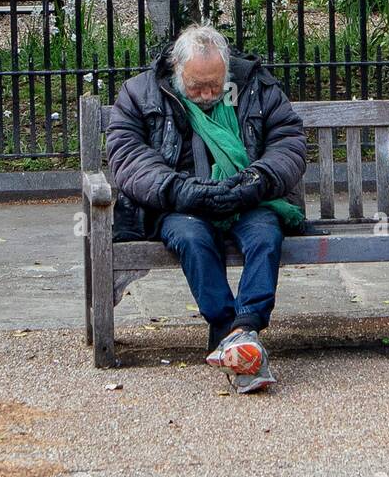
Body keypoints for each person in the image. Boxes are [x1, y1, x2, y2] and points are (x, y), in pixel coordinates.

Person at [105, 24, 308, 393]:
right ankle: (232, 329)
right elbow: (127, 157)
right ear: (177, 69)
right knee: (192, 237)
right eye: (197, 86)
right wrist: (180, 189)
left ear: (226, 69)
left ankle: (244, 329)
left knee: (265, 233)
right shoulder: (140, 93)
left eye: (215, 85)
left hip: (247, 198)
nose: (207, 94)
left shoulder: (256, 86)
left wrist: (256, 182)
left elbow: (289, 142)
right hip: (179, 205)